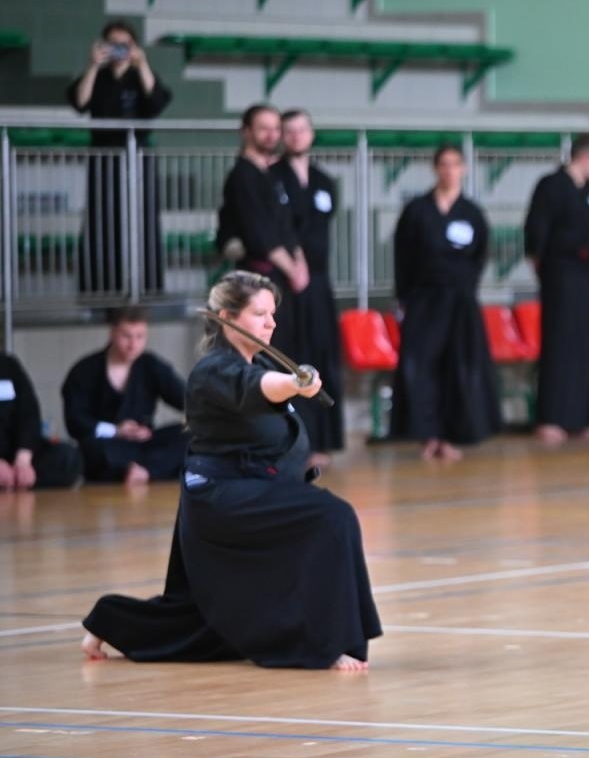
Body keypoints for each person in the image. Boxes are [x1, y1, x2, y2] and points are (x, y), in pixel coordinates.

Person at [81, 272, 380, 670]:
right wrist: (294, 382)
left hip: (247, 491)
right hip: (221, 498)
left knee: (209, 622)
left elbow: (261, 385)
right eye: (260, 314)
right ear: (228, 317)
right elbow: (259, 387)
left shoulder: (253, 363)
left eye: (273, 314)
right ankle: (329, 642)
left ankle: (108, 619)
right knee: (332, 518)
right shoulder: (216, 370)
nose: (271, 323)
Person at [391, 144, 502, 461]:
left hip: (461, 302)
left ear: (463, 169)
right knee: (422, 366)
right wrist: (405, 299)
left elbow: (480, 256)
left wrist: (465, 288)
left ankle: (453, 434)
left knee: (458, 367)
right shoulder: (417, 211)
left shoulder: (472, 213)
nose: (450, 170)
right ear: (435, 168)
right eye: (444, 164)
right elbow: (403, 257)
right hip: (424, 300)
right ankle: (428, 435)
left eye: (455, 164)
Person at [67, 20, 173, 297]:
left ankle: (145, 288)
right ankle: (100, 289)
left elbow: (158, 103)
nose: (118, 50)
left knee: (143, 219)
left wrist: (142, 64)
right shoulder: (98, 77)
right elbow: (79, 102)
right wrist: (92, 65)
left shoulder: (142, 76)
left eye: (124, 45)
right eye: (112, 44)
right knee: (102, 220)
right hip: (104, 160)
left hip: (138, 159)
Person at [523, 133, 589, 444]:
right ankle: (554, 417)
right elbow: (536, 237)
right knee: (562, 344)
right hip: (562, 276)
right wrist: (549, 273)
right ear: (585, 157)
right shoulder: (552, 186)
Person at [269, 109, 345, 465]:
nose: (297, 136)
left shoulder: (325, 182)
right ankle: (290, 439)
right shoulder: (272, 178)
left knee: (322, 355)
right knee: (289, 359)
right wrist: (292, 265)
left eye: (302, 130)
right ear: (282, 137)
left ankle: (321, 440)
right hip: (285, 282)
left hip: (318, 282)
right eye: (290, 131)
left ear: (312, 134)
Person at [216, 105, 308, 362]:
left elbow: (285, 225)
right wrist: (293, 269)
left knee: (286, 353)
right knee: (266, 355)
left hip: (281, 279)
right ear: (247, 132)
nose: (271, 135)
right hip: (259, 280)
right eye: (263, 129)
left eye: (276, 129)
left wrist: (299, 261)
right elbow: (260, 234)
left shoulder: (270, 174)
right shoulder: (242, 176)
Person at [61, 307, 187, 486]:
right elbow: (75, 420)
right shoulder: (84, 370)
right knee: (87, 449)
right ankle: (143, 469)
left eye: (140, 336)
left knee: (193, 435)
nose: (133, 344)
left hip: (145, 443)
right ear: (112, 333)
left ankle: (144, 470)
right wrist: (116, 430)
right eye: (126, 336)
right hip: (108, 445)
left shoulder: (151, 365)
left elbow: (187, 400)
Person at [0, 355, 81, 490]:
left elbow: (29, 413)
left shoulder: (8, 365)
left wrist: (23, 460)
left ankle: (18, 479)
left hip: (14, 453)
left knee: (68, 457)